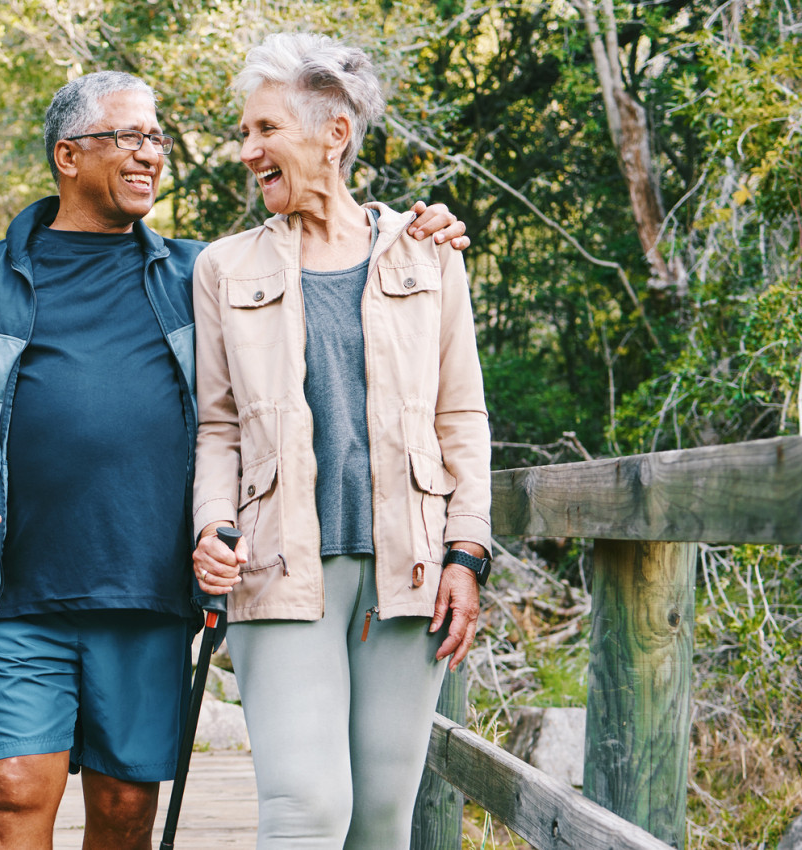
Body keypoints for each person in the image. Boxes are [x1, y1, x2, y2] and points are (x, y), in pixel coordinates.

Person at [0, 69, 469, 850]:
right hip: (21, 583)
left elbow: (314, 301)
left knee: (125, 810)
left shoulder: (200, 272)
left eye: (157, 140)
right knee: (11, 794)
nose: (151, 156)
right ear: (68, 156)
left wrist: (416, 228)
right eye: (130, 138)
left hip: (149, 592)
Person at [189, 32, 492, 848]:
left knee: (383, 817)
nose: (247, 150)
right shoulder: (224, 266)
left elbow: (461, 414)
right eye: (244, 132)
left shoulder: (429, 253)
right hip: (278, 562)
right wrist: (209, 524)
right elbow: (217, 424)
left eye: (264, 130)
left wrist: (469, 554)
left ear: (334, 133)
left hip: (412, 568)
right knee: (307, 810)